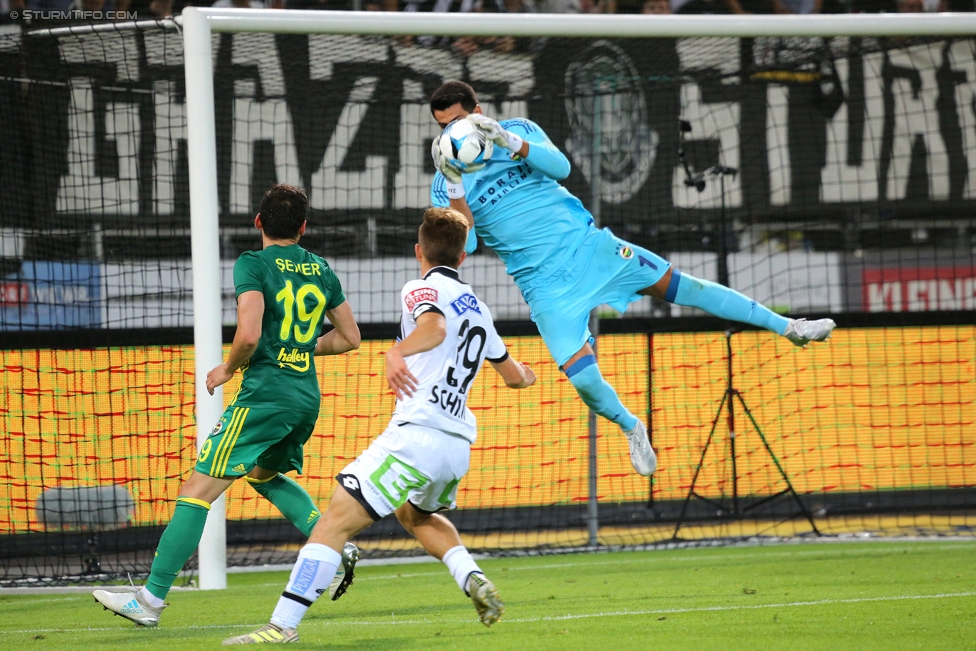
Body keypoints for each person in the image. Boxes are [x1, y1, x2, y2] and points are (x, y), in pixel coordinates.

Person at [428, 81, 836, 478]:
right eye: (444, 127)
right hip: (545, 285)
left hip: (592, 249)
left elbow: (563, 167)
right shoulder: (443, 181)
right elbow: (470, 243)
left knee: (686, 288)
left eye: (459, 120)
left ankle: (790, 327)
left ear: (478, 113)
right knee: (585, 382)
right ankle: (631, 427)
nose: (453, 132)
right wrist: (455, 183)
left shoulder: (517, 130)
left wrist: (505, 140)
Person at [223, 207, 536, 645]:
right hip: (455, 446)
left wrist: (396, 353)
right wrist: (531, 372)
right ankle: (471, 576)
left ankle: (282, 626)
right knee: (415, 513)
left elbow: (435, 327)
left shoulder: (419, 287)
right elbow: (514, 377)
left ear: (418, 251)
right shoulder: (479, 307)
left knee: (333, 522)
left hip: (417, 435)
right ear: (463, 257)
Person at [93, 184, 362, 627]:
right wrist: (297, 347)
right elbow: (350, 338)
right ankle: (335, 543)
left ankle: (149, 600)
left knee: (195, 492)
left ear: (258, 222)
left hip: (265, 397)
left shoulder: (252, 263)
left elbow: (250, 334)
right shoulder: (320, 268)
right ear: (303, 227)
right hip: (304, 398)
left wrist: (227, 369)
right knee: (262, 473)